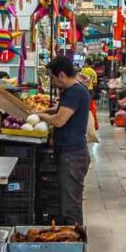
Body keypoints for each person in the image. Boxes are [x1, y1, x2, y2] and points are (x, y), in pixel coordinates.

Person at [43, 55, 91, 225]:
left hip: (73, 156)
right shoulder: (71, 91)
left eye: (52, 77)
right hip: (69, 153)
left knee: (71, 206)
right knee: (68, 201)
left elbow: (59, 120)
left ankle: (76, 243)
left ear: (61, 75)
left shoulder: (76, 92)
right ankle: (70, 238)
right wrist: (44, 111)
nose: (51, 81)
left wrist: (39, 116)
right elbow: (58, 109)